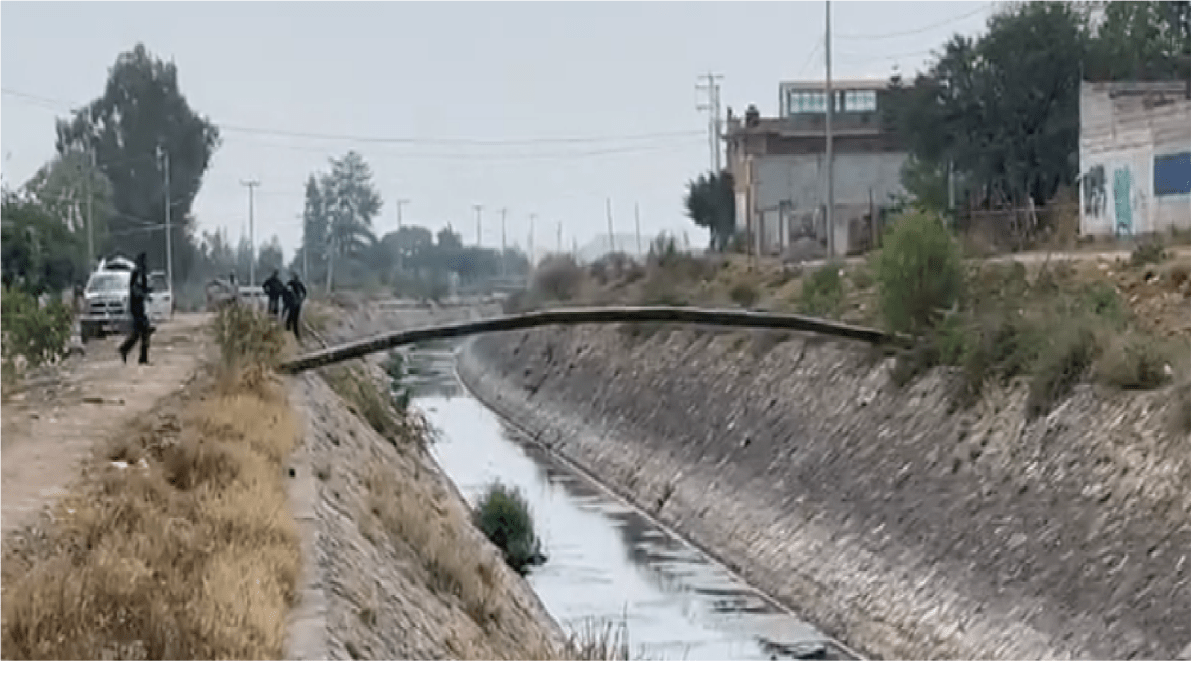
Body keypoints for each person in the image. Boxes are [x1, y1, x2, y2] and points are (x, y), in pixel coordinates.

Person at [119, 252, 152, 365]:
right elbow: (135, 290)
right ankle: (139, 356)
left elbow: (141, 288)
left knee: (139, 333)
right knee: (144, 331)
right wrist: (144, 295)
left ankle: (127, 350)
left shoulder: (140, 274)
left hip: (139, 306)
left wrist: (147, 291)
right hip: (137, 307)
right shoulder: (137, 273)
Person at [283, 271, 308, 340]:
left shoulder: (290, 283)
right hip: (298, 304)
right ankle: (297, 336)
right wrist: (302, 299)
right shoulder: (300, 283)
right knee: (295, 320)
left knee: (290, 319)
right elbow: (305, 292)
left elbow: (285, 292)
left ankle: (288, 334)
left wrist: (286, 302)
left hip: (292, 304)